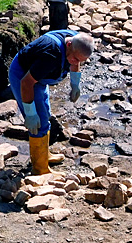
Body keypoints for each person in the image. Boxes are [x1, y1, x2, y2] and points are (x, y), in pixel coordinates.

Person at [8, 30, 95, 176]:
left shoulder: (76, 41)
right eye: (74, 59)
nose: (76, 63)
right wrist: (30, 113)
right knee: (38, 123)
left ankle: (44, 155)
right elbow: (26, 83)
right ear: (68, 44)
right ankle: (40, 169)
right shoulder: (50, 54)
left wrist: (75, 84)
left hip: (39, 78)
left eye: (80, 61)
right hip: (23, 76)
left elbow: (75, 62)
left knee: (45, 115)